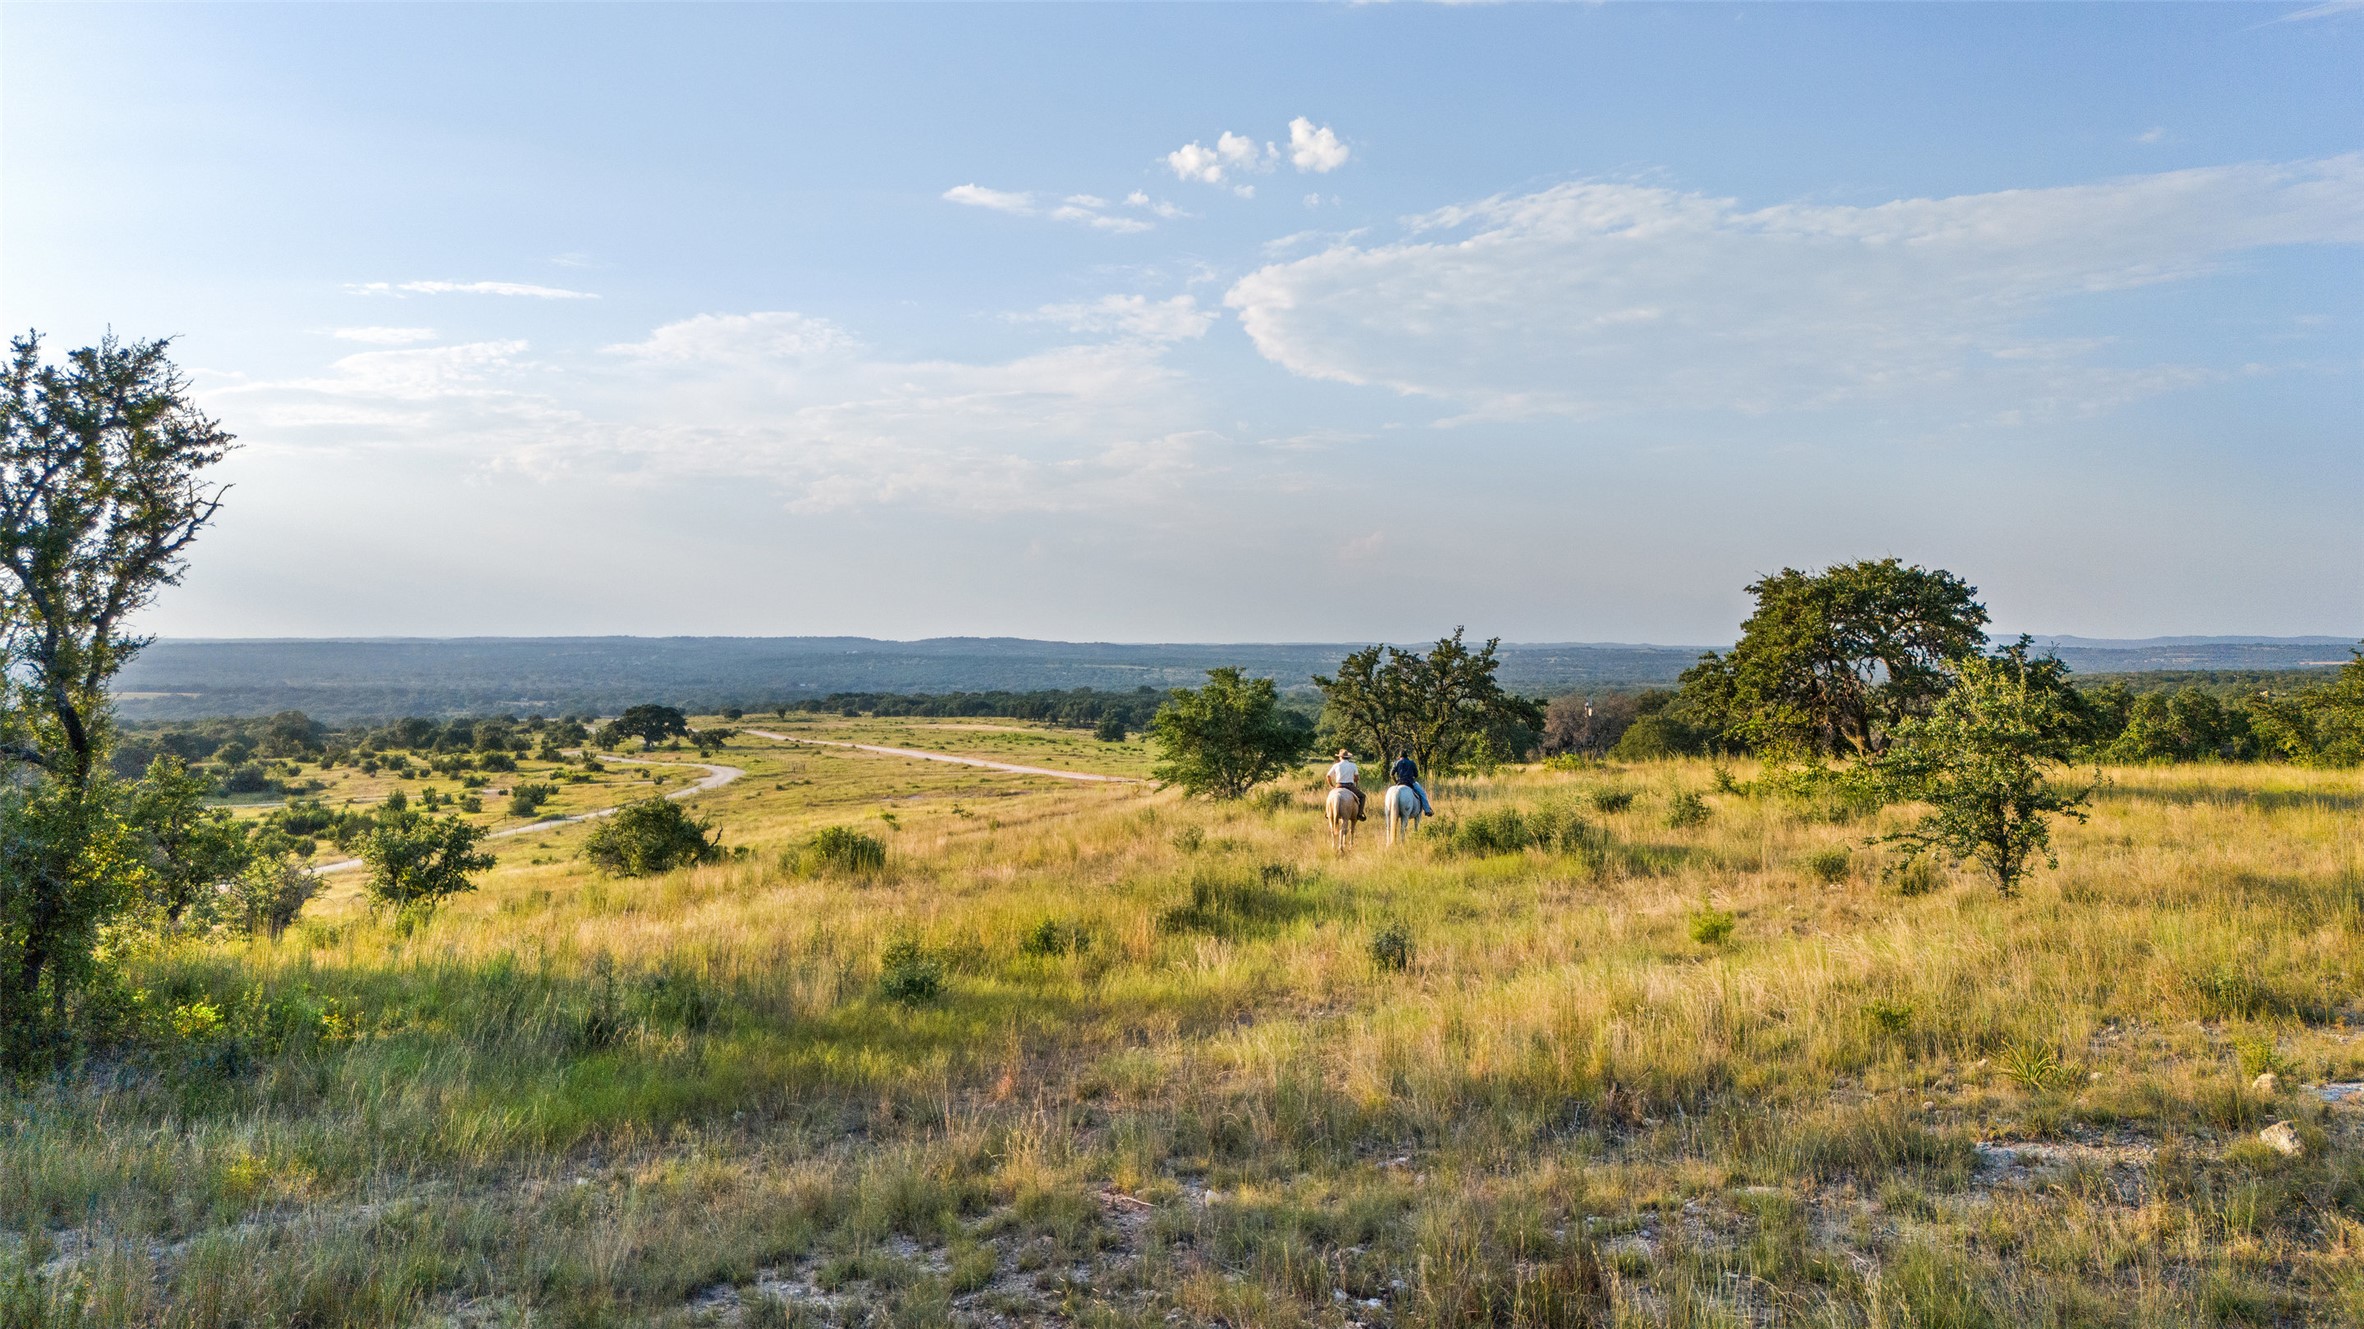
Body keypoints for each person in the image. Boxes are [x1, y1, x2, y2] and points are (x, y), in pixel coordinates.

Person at [1325, 748, 1364, 821]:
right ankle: (1359, 814)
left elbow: (1328, 776)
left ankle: (1327, 813)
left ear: (1340, 757)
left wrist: (1332, 786)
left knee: (1329, 797)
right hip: (1350, 786)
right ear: (1348, 757)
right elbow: (1356, 777)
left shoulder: (1336, 765)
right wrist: (1354, 781)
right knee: (1362, 796)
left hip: (1338, 786)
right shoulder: (1353, 765)